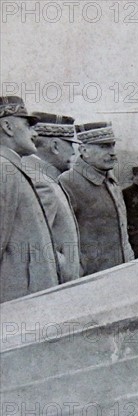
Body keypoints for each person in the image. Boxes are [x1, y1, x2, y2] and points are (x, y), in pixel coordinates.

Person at [0, 96, 59, 302]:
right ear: (7, 126)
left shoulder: (12, 167)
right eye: (27, 124)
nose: (35, 134)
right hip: (19, 302)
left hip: (30, 299)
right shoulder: (3, 169)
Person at [59, 122, 134, 275]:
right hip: (90, 280)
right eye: (104, 147)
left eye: (112, 145)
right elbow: (58, 239)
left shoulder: (111, 181)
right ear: (84, 150)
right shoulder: (68, 182)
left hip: (123, 273)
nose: (112, 152)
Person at [23, 112, 81, 282]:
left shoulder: (46, 179)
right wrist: (66, 272)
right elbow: (34, 246)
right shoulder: (40, 183)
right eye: (70, 144)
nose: (73, 152)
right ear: (55, 146)